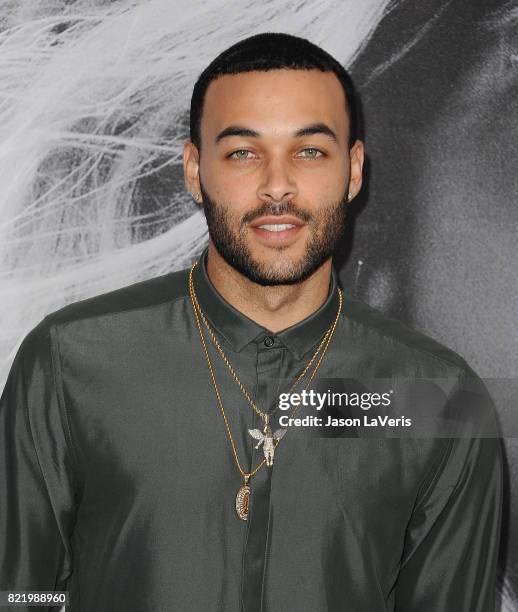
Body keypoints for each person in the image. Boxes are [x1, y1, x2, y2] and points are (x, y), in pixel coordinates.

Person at [0, 32, 503, 612]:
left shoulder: (439, 398)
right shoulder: (69, 362)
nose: (277, 185)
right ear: (194, 171)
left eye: (310, 151)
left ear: (354, 170)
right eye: (243, 152)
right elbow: (21, 592)